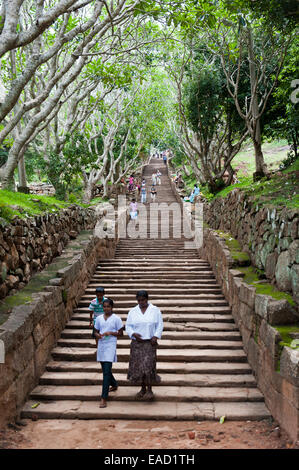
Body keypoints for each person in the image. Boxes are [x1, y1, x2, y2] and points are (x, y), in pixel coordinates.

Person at [126, 290, 163, 401]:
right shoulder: (133, 311)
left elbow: (160, 324)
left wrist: (155, 336)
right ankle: (142, 389)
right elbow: (128, 326)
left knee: (148, 366)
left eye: (143, 300)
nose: (141, 302)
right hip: (137, 344)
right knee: (139, 368)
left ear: (147, 299)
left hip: (149, 343)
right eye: (139, 300)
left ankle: (150, 390)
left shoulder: (155, 310)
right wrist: (133, 334)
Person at [94, 298, 124, 408]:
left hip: (110, 345)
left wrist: (111, 332)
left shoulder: (116, 319)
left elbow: (121, 333)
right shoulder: (99, 319)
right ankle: (114, 384)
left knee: (106, 372)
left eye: (108, 306)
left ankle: (103, 398)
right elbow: (95, 331)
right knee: (105, 370)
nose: (106, 308)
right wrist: (98, 336)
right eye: (104, 306)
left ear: (112, 307)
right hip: (101, 345)